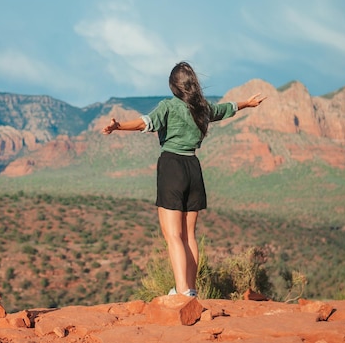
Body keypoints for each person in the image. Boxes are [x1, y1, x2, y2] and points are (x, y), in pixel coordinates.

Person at [102, 61, 266, 297]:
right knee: (189, 235)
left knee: (173, 236)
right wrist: (247, 104)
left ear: (173, 86)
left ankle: (181, 292)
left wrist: (119, 126)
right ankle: (191, 289)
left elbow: (145, 123)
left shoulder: (169, 106)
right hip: (193, 168)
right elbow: (225, 109)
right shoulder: (201, 109)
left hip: (172, 168)